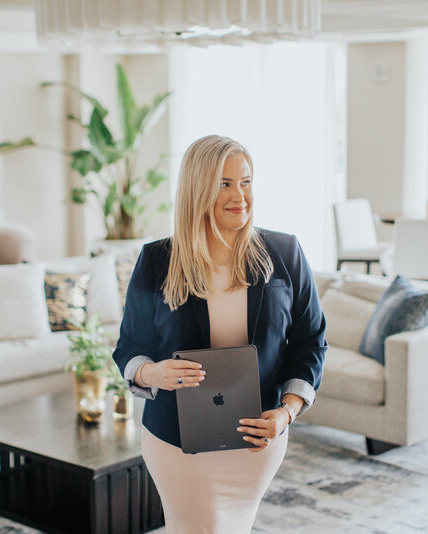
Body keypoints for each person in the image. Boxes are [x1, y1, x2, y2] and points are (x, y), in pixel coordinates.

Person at [112, 134, 327, 533]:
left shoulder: (285, 253)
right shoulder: (158, 260)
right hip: (178, 443)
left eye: (245, 182)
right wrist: (152, 374)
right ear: (198, 188)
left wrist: (287, 412)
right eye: (224, 184)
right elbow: (130, 347)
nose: (239, 195)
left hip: (256, 440)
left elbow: (310, 341)